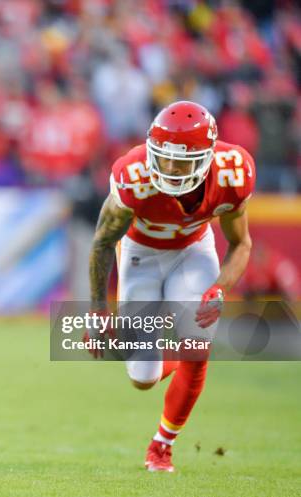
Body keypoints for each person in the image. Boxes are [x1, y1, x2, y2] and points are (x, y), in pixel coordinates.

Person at [86, 100, 254, 472]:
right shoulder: (132, 173)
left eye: (183, 161)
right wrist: (98, 310)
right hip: (139, 255)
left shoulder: (233, 171)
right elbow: (101, 242)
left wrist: (220, 288)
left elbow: (241, 243)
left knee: (197, 346)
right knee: (142, 377)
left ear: (208, 156)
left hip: (193, 249)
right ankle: (174, 351)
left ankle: (161, 445)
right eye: (164, 157)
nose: (172, 169)